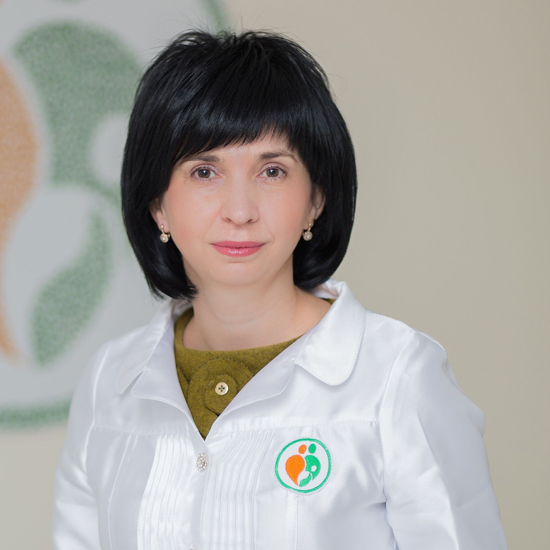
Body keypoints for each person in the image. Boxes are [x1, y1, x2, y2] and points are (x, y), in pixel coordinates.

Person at [51, 28, 508, 550]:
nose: (240, 210)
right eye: (204, 171)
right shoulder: (109, 382)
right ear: (157, 204)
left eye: (272, 171)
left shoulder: (398, 377)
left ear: (316, 199)